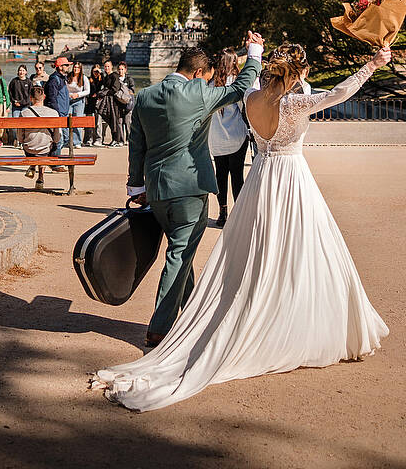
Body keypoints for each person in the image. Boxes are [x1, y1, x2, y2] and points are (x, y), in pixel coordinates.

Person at [93, 40, 389, 413]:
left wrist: (254, 57)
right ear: (299, 74)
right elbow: (342, 92)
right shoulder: (295, 104)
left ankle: (210, 314)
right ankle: (275, 320)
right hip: (291, 180)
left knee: (252, 254)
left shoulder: (250, 100)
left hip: (260, 181)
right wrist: (374, 64)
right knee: (304, 251)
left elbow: (241, 87)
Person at [108, 34, 263, 355]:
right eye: (206, 77)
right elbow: (241, 87)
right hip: (189, 188)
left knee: (184, 253)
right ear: (197, 73)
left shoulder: (146, 96)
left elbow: (136, 145)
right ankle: (159, 329)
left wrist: (136, 187)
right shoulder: (199, 93)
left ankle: (193, 314)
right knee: (180, 254)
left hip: (157, 189)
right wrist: (254, 52)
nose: (208, 81)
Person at [206, 49, 250, 225]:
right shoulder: (237, 85)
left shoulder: (211, 85)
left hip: (216, 138)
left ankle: (222, 213)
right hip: (236, 136)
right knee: (237, 176)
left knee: (221, 175)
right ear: (233, 63)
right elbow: (244, 108)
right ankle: (238, 214)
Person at [18, 85, 60, 184]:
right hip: (45, 149)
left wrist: (23, 141)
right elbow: (57, 138)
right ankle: (40, 177)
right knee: (46, 145)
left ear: (30, 98)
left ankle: (33, 166)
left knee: (33, 144)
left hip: (29, 149)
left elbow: (20, 138)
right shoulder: (53, 113)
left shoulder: (24, 113)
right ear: (44, 97)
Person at [44, 56, 73, 167]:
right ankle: (54, 163)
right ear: (60, 67)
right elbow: (52, 98)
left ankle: (52, 159)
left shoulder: (61, 78)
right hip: (58, 114)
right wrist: (57, 114)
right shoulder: (54, 79)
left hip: (63, 113)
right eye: (66, 65)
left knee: (63, 139)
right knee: (59, 140)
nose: (68, 66)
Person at [97, 59, 124, 145]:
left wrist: (104, 93)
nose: (107, 68)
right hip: (108, 101)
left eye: (108, 66)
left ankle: (117, 140)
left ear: (112, 67)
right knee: (110, 119)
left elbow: (115, 88)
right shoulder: (106, 76)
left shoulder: (114, 75)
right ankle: (115, 139)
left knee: (115, 120)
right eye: (105, 66)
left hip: (114, 101)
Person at [7, 64, 32, 147]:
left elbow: (30, 95)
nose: (21, 72)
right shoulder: (14, 81)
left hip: (26, 106)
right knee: (15, 125)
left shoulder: (29, 82)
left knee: (25, 124)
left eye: (23, 70)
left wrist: (22, 103)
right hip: (16, 106)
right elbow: (10, 93)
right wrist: (13, 101)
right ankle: (17, 139)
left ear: (26, 72)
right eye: (20, 70)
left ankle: (24, 141)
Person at [67, 63, 89, 148]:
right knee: (68, 120)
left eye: (77, 68)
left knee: (77, 121)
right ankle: (69, 141)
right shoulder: (68, 76)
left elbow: (87, 91)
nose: (75, 69)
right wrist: (69, 94)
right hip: (69, 100)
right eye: (74, 67)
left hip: (79, 101)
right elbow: (65, 88)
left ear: (80, 69)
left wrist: (78, 95)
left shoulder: (84, 78)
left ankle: (77, 142)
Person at [85, 65, 105, 146]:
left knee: (98, 122)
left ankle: (98, 139)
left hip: (98, 102)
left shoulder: (101, 79)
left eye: (97, 71)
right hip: (90, 102)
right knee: (89, 122)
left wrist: (101, 73)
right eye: (94, 71)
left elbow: (105, 86)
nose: (96, 73)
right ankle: (88, 139)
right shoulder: (89, 79)